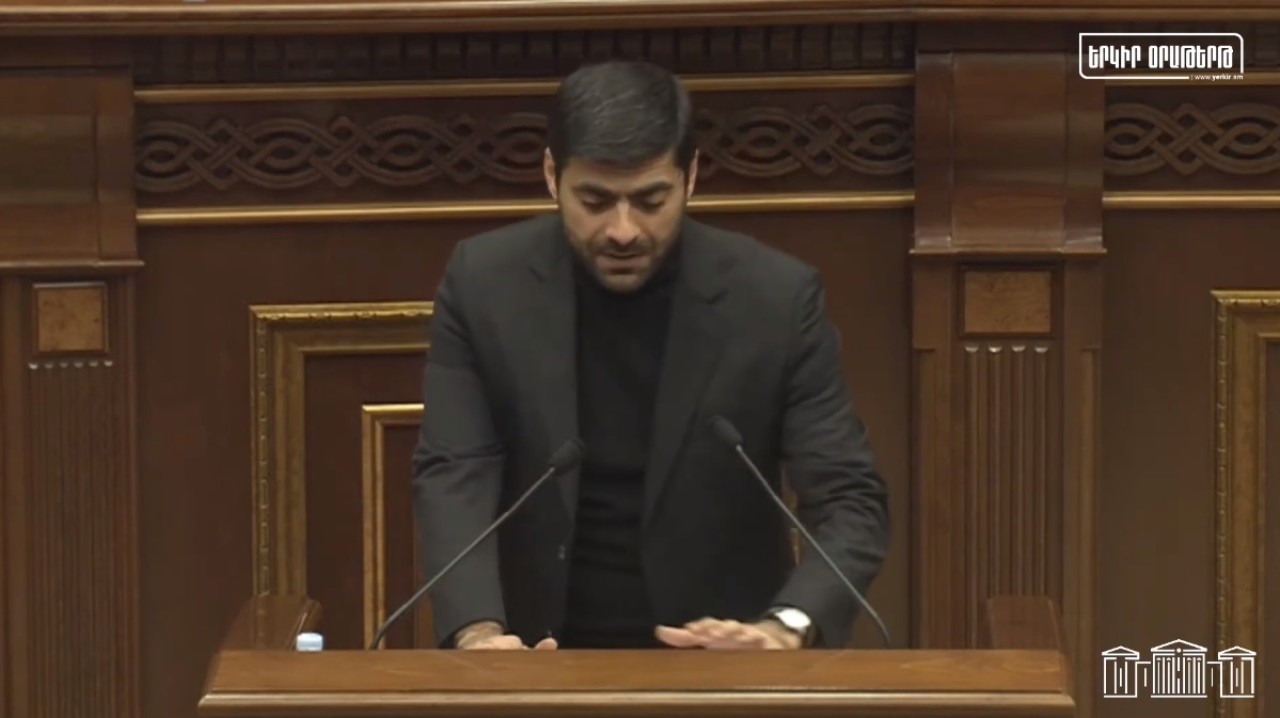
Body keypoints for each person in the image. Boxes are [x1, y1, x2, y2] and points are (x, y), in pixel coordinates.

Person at [412, 59, 889, 651]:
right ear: (551, 176)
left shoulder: (776, 299)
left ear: (690, 178)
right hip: (533, 656)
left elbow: (849, 498)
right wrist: (478, 634)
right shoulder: (483, 284)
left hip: (725, 657)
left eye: (650, 200)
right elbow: (453, 472)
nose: (623, 230)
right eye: (595, 200)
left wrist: (786, 627)